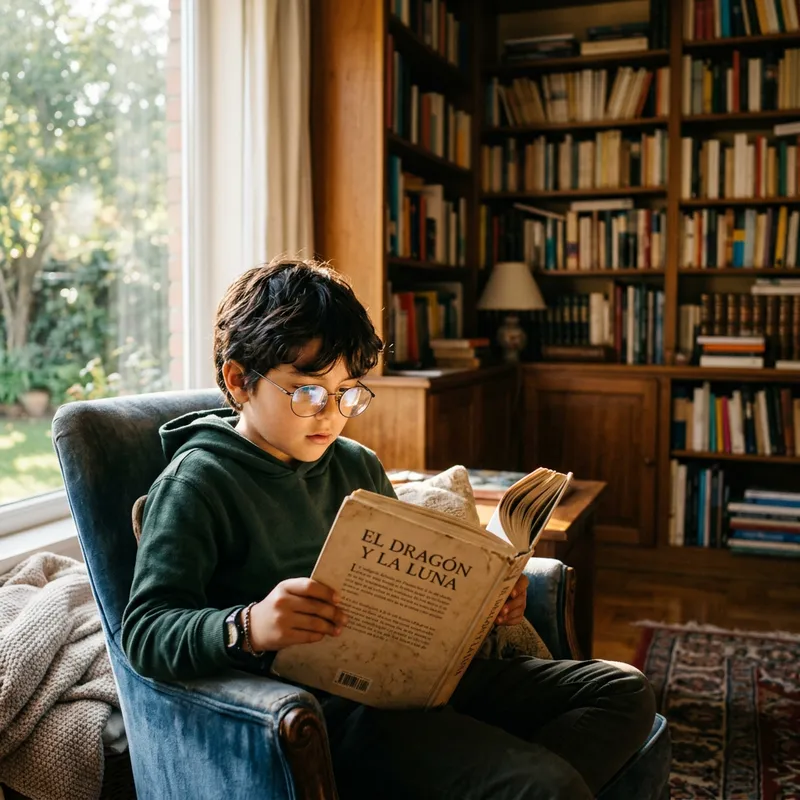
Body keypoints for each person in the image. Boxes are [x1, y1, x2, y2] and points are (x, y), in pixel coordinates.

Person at [122, 257, 656, 800]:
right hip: (340, 711)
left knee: (623, 691)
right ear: (239, 380)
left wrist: (487, 604)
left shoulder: (355, 463)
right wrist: (250, 624)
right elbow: (144, 631)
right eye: (308, 393)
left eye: (348, 392)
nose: (331, 415)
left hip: (428, 681)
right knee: (547, 785)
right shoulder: (198, 481)